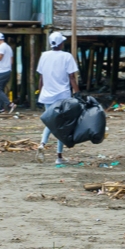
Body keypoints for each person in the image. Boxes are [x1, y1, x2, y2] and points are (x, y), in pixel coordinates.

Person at [36, 31, 80, 164]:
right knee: (61, 125)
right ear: (61, 43)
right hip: (62, 96)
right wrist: (77, 92)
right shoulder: (67, 56)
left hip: (47, 95)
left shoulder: (44, 56)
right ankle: (59, 157)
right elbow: (71, 77)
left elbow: (41, 77)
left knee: (50, 121)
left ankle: (42, 144)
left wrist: (39, 91)